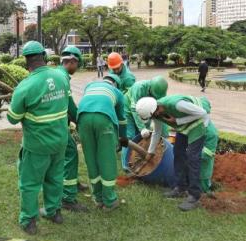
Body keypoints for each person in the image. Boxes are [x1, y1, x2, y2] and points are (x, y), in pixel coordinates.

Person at [6, 41, 71, 235]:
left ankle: (29, 221)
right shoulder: (61, 76)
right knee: (55, 177)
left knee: (30, 183)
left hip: (37, 145)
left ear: (25, 61)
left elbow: (12, 118)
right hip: (60, 140)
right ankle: (54, 212)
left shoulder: (24, 87)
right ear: (44, 55)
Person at [135, 94, 211, 211]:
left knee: (192, 157)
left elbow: (202, 113)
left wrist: (178, 120)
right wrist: (150, 151)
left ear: (156, 109)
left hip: (198, 124)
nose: (155, 117)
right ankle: (180, 188)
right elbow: (157, 132)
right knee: (178, 151)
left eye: (153, 115)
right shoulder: (156, 113)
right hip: (184, 127)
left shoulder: (177, 105)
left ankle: (194, 196)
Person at [77, 74, 128, 210]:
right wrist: (122, 139)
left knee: (91, 158)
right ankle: (110, 200)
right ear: (115, 85)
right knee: (107, 159)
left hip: (82, 119)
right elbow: (122, 119)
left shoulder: (90, 86)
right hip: (103, 119)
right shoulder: (117, 92)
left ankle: (98, 198)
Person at [58, 45, 88, 212]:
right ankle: (68, 198)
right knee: (71, 153)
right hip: (57, 125)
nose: (77, 69)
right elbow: (70, 106)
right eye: (78, 65)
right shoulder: (63, 78)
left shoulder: (58, 74)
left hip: (56, 123)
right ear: (72, 61)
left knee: (63, 156)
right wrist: (79, 120)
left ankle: (72, 182)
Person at [120, 76, 168, 171]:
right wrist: (142, 128)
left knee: (145, 136)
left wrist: (165, 135)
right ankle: (125, 164)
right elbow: (133, 109)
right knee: (130, 136)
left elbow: (160, 116)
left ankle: (141, 156)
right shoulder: (140, 87)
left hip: (143, 110)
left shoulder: (159, 93)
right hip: (128, 109)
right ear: (150, 89)